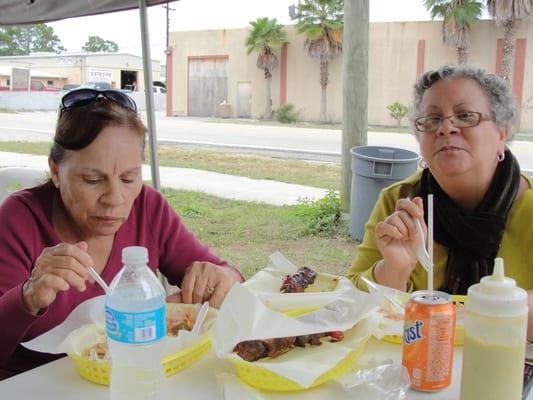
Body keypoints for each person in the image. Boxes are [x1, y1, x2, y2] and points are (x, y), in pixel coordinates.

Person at [0, 88, 243, 379]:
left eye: (129, 178)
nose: (115, 198)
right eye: (92, 180)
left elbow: (226, 276)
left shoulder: (148, 208)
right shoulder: (19, 219)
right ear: (56, 170)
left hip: (130, 378)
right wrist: (27, 297)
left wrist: (222, 277)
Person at [347, 65, 533, 330]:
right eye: (432, 119)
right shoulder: (400, 202)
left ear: (501, 133)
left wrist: (513, 310)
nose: (446, 128)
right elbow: (350, 302)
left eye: (465, 115)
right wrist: (394, 269)